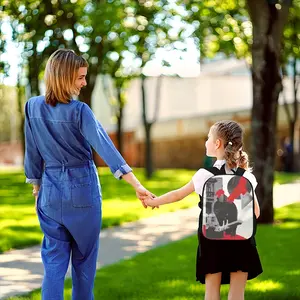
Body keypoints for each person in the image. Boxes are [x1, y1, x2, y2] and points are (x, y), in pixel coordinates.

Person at [24, 49, 153, 300]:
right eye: (80, 77)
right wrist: (136, 184)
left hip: (49, 193)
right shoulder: (79, 111)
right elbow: (106, 148)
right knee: (83, 264)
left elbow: (32, 153)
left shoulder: (32, 107)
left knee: (53, 265)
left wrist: (37, 188)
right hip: (82, 191)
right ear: (64, 77)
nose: (84, 83)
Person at [144, 120, 262, 300]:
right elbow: (256, 212)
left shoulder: (204, 175)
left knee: (211, 293)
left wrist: (154, 202)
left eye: (208, 138)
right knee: (237, 294)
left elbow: (177, 195)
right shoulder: (247, 177)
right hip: (241, 241)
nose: (206, 142)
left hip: (212, 242)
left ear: (217, 144)